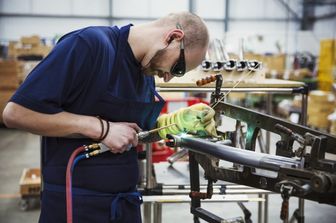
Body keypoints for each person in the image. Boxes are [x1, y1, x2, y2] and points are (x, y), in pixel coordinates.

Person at [2, 12, 215, 223]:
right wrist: (100, 128)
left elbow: (134, 134)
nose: (168, 78)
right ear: (172, 37)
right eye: (178, 68)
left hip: (124, 205)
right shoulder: (89, 46)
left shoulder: (145, 73)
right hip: (76, 205)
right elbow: (16, 113)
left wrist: (171, 123)